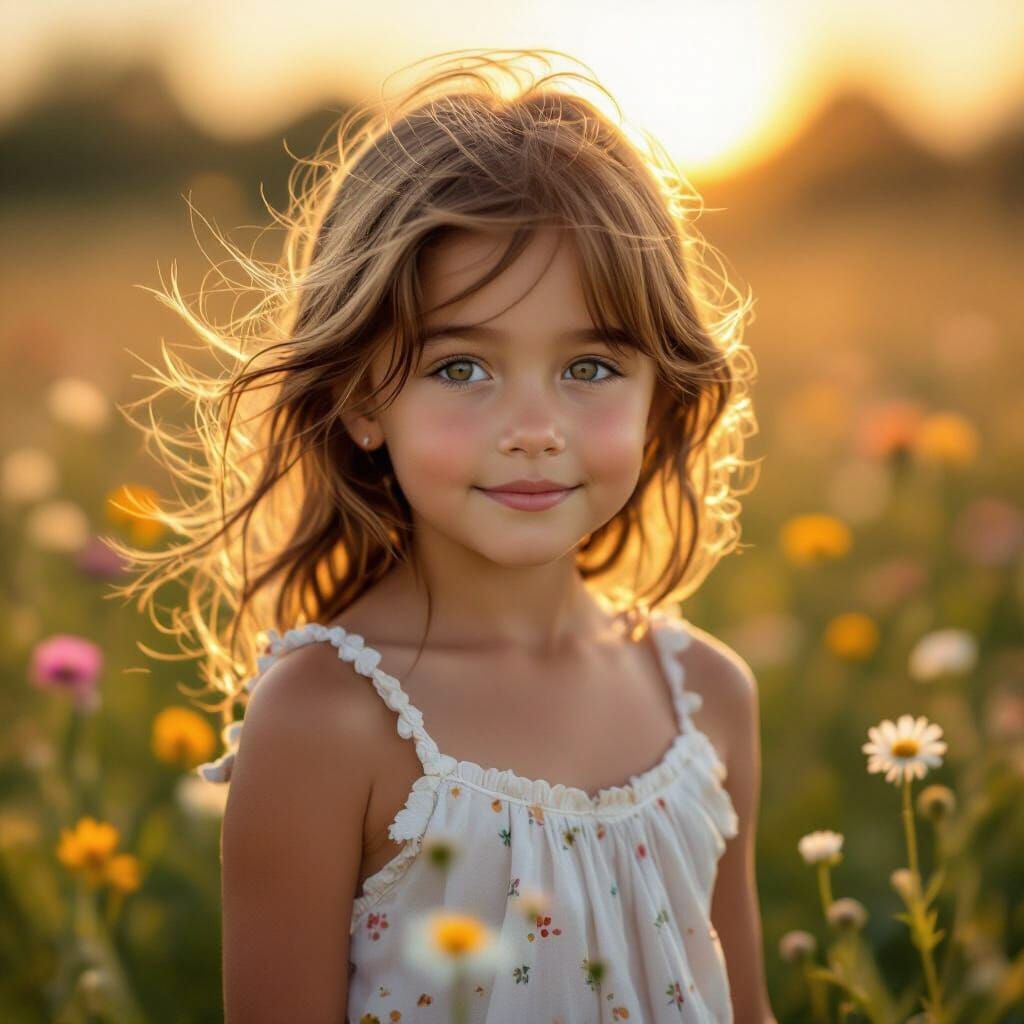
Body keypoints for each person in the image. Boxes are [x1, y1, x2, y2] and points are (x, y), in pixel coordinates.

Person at [114, 47, 775, 1023]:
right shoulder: (325, 721)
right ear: (360, 399)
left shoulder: (707, 696)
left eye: (590, 366)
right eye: (461, 367)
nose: (533, 425)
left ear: (660, 397)